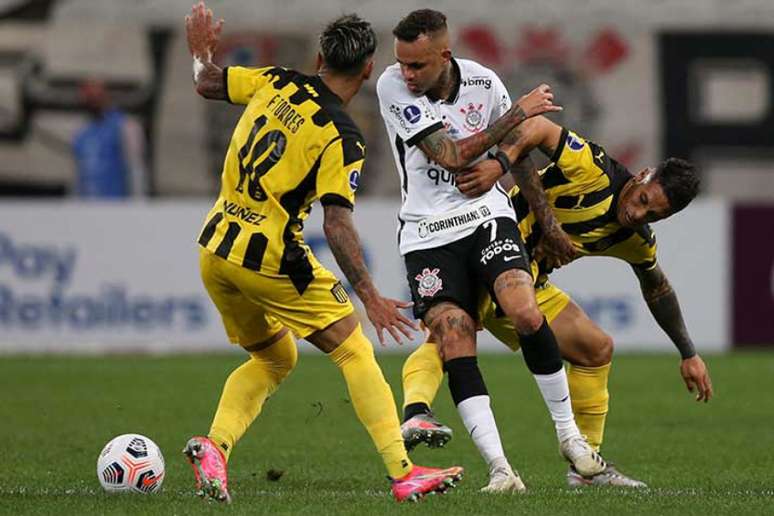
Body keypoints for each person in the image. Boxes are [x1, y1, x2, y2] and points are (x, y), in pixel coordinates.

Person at [182, 2, 462, 503]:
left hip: (215, 248)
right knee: (354, 348)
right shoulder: (342, 136)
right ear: (370, 68)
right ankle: (403, 472)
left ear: (318, 57)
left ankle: (214, 447)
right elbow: (336, 223)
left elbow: (206, 82)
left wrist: (200, 49)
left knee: (275, 357)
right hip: (269, 258)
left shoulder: (276, 80)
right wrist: (371, 295)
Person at [400, 113, 714, 487]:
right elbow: (536, 127)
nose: (637, 214)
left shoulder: (635, 238)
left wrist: (688, 353)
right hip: (487, 249)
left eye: (653, 215)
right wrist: (504, 165)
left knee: (596, 349)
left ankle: (585, 467)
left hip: (530, 282)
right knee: (451, 333)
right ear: (643, 174)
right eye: (644, 199)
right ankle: (416, 411)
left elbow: (657, 286)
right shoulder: (593, 170)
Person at [377, 9, 606, 493]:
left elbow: (519, 157)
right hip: (426, 232)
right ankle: (501, 470)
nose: (408, 74)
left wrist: (545, 224)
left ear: (444, 55)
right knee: (455, 333)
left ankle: (570, 437)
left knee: (524, 309)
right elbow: (451, 156)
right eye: (402, 63)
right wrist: (518, 114)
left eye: (417, 65)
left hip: (486, 216)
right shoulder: (392, 86)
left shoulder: (484, 82)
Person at [72, 79, 148, 198]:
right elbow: (78, 174)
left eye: (96, 97)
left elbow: (135, 169)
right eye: (88, 98)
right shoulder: (81, 132)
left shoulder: (125, 126)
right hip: (88, 205)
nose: (92, 102)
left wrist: (137, 204)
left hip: (115, 205)